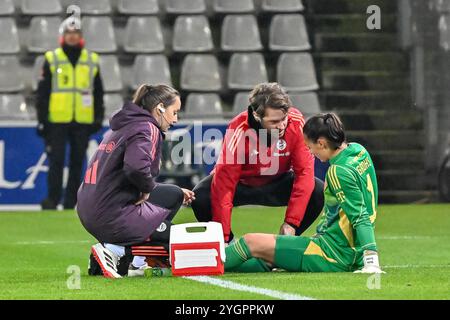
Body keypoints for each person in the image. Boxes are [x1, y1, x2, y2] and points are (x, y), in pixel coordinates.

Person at [224, 113, 384, 274]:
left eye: (310, 147)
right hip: (349, 251)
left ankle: (205, 265)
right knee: (267, 257)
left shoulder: (337, 171)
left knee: (250, 242)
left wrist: (371, 260)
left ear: (321, 143)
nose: (310, 152)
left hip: (332, 253)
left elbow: (360, 216)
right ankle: (213, 267)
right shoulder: (359, 150)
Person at [76, 84, 195, 278]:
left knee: (175, 194)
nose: (175, 119)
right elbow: (135, 167)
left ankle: (134, 262)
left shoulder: (124, 125)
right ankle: (116, 251)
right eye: (174, 112)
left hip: (92, 208)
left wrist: (147, 188)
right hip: (110, 214)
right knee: (176, 239)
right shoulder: (147, 128)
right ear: (160, 109)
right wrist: (146, 189)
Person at [191, 83, 324, 243]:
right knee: (200, 197)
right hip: (242, 185)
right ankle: (228, 245)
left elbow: (304, 173)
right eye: (274, 122)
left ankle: (286, 243)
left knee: (317, 192)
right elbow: (224, 185)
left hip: (278, 182)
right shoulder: (238, 129)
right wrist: (224, 238)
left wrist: (291, 223)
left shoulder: (295, 122)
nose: (282, 125)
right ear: (256, 116)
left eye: (284, 118)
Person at [36, 17, 105, 210]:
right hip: (57, 120)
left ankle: (70, 202)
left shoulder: (92, 60)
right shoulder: (52, 58)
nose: (72, 37)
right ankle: (52, 199)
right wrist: (42, 120)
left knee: (77, 162)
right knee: (56, 161)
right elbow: (42, 93)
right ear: (63, 36)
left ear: (81, 36)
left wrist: (98, 117)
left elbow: (98, 92)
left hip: (82, 121)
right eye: (69, 33)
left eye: (76, 33)